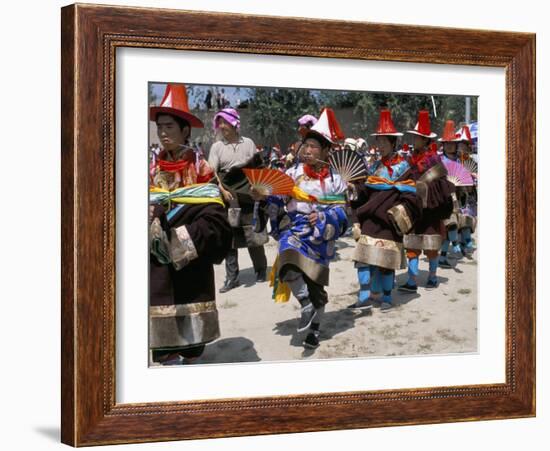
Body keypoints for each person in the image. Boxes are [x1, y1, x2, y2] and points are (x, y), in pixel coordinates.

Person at [148, 84, 232, 365]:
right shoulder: (149, 169)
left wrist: (179, 238)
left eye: (169, 126)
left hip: (191, 260)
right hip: (157, 265)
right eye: (160, 126)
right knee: (163, 343)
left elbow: (216, 220)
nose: (162, 133)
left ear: (185, 131)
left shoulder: (202, 169)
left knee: (192, 344)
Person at [257, 108, 348, 349]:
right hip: (295, 230)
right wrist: (265, 195)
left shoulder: (335, 180)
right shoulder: (292, 173)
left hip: (320, 237)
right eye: (304, 145)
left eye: (313, 147)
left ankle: (314, 330)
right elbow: (276, 197)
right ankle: (304, 302)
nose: (306, 150)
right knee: (286, 262)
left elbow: (341, 212)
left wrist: (323, 216)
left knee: (318, 288)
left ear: (326, 151)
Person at [348, 109, 421, 312]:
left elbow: (411, 195)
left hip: (389, 221)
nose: (379, 146)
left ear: (393, 143)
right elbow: (366, 190)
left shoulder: (404, 168)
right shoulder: (374, 167)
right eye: (378, 141)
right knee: (362, 258)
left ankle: (387, 298)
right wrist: (354, 188)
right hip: (371, 220)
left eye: (383, 142)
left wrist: (398, 211)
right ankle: (365, 295)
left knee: (386, 263)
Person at [208, 108, 268, 292]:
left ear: (234, 123)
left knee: (253, 233)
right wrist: (223, 191)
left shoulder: (248, 143)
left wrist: (256, 188)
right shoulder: (217, 147)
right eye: (220, 123)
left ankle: (261, 270)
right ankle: (232, 278)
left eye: (225, 122)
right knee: (229, 238)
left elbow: (257, 168)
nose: (222, 126)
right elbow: (211, 173)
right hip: (227, 194)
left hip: (248, 194)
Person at [399, 110, 454, 292]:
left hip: (431, 210)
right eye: (414, 138)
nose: (415, 141)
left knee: (431, 246)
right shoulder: (409, 159)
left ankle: (432, 276)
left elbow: (441, 183)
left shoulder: (434, 159)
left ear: (426, 140)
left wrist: (426, 188)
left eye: (418, 138)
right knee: (412, 244)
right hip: (414, 209)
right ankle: (412, 280)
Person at [438, 120, 462, 268]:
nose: (449, 146)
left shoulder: (460, 161)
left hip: (456, 197)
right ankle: (456, 243)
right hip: (443, 197)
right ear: (443, 145)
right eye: (446, 143)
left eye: (452, 143)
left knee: (449, 228)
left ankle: (442, 258)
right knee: (450, 223)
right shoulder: (440, 160)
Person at [456, 124, 478, 257]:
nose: (462, 147)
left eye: (464, 145)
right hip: (458, 194)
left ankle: (466, 242)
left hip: (469, 194)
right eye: (460, 145)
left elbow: (476, 175)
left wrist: (473, 178)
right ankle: (462, 243)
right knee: (460, 219)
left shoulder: (473, 161)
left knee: (468, 218)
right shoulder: (455, 161)